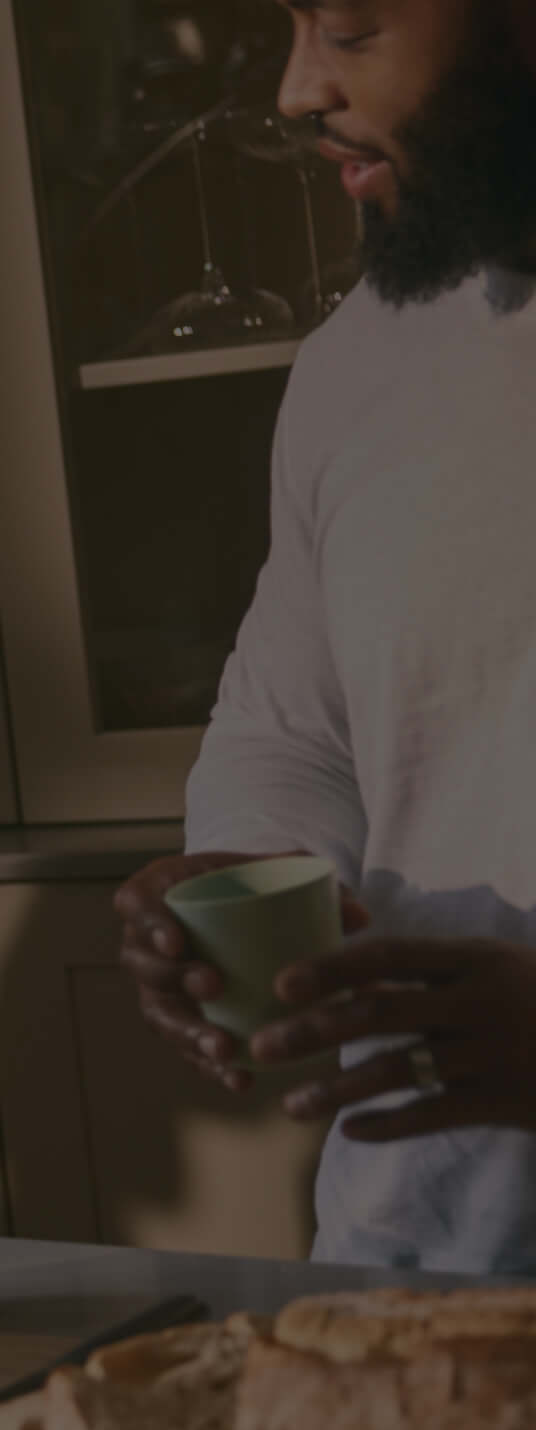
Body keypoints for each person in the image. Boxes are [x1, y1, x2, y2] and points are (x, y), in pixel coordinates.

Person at [114, 0, 536, 1274]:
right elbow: (290, 729)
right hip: (413, 1276)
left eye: (351, 26)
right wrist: (235, 881)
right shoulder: (362, 361)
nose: (296, 91)